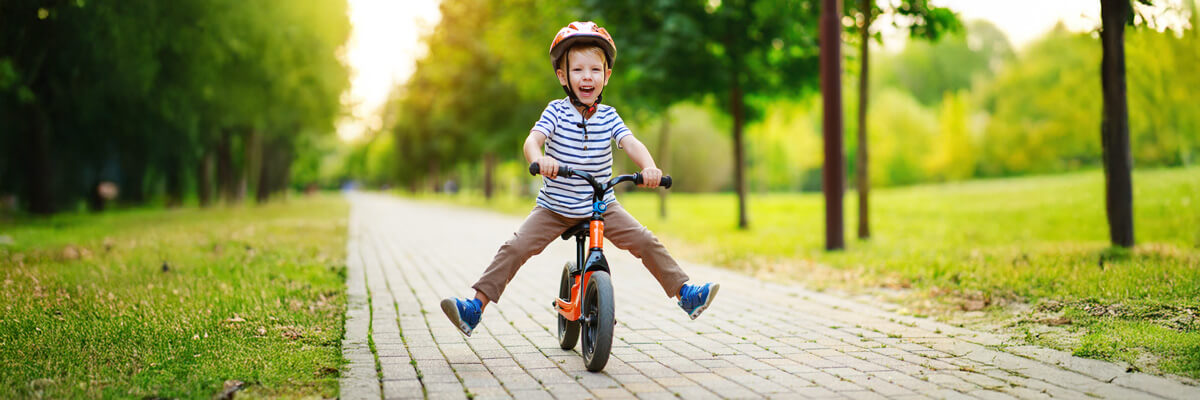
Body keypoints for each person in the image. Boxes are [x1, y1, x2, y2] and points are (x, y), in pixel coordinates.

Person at [440, 21, 719, 336]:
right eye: (578, 70)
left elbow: (631, 143)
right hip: (554, 207)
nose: (587, 77)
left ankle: (685, 295)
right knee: (515, 248)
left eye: (595, 70)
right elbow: (532, 141)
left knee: (645, 240)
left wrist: (650, 167)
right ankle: (475, 308)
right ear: (563, 76)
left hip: (602, 205)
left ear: (606, 75)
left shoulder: (610, 116)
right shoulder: (555, 113)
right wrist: (539, 159)